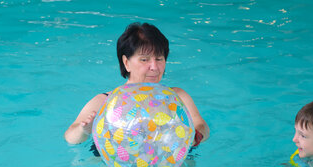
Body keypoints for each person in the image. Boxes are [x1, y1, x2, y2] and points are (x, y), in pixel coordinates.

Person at [64, 22, 209, 149]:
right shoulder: (105, 101)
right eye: (144, 60)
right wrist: (85, 130)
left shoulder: (178, 96)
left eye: (159, 59)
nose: (154, 67)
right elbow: (70, 136)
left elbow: (202, 126)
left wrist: (195, 136)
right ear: (126, 62)